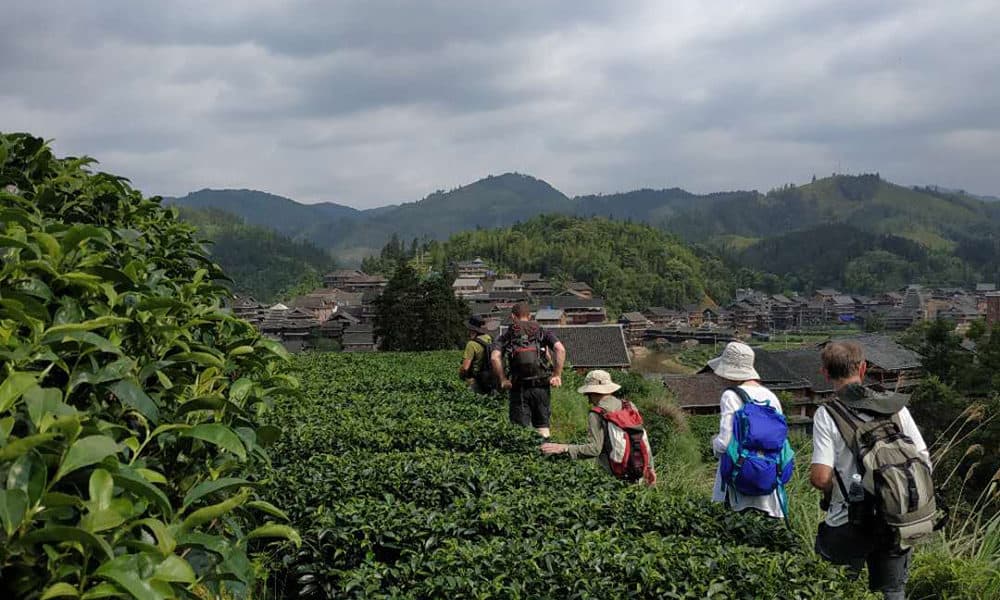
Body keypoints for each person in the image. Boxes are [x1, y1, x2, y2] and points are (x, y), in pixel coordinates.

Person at [810, 341, 932, 600]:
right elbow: (923, 459)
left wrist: (835, 490)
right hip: (895, 517)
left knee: (835, 588)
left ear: (825, 373)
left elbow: (820, 478)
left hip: (847, 519)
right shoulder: (895, 407)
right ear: (863, 368)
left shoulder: (827, 414)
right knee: (894, 591)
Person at [709, 341, 788, 518]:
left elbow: (724, 443)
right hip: (768, 481)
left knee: (737, 528)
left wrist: (713, 443)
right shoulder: (771, 396)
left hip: (739, 482)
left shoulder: (730, 395)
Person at [541, 370, 656, 484]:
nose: (588, 399)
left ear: (592, 392)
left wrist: (565, 448)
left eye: (587, 394)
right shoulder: (629, 406)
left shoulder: (597, 413)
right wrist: (650, 467)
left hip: (612, 476)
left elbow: (594, 449)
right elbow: (641, 438)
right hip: (637, 469)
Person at [490, 303, 566, 438]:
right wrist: (557, 375)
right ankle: (545, 449)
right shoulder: (541, 331)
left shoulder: (508, 334)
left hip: (518, 387)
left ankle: (524, 451)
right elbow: (560, 349)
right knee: (542, 427)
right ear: (530, 316)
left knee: (520, 430)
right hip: (541, 385)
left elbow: (495, 357)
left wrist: (503, 379)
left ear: (513, 316)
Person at [459, 316, 496, 394]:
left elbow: (465, 368)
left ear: (472, 329)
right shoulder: (489, 338)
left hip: (477, 379)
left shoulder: (471, 344)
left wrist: (461, 375)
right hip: (492, 377)